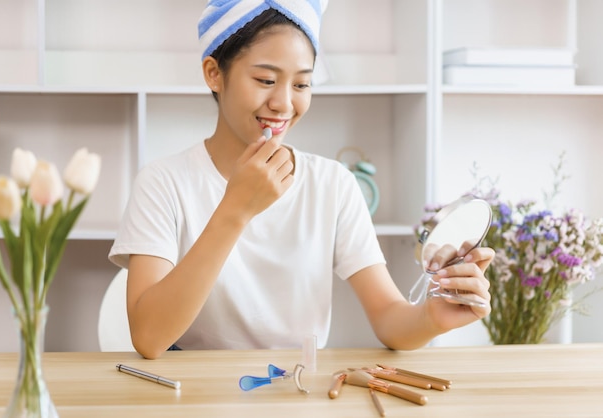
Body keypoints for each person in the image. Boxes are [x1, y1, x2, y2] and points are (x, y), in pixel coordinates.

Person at [108, 0, 495, 360]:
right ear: (214, 73)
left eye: (301, 84)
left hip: (299, 392)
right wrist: (235, 210)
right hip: (193, 397)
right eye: (264, 79)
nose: (283, 104)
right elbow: (149, 338)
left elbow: (390, 320)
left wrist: (431, 317)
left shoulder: (333, 185)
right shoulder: (163, 183)